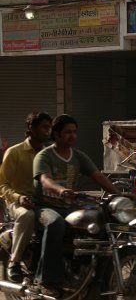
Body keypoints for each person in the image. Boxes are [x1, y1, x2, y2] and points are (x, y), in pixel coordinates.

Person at [32, 114, 121, 297]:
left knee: (101, 219)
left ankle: (98, 277)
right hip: (45, 207)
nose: (72, 136)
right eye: (67, 132)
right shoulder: (44, 156)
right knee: (55, 223)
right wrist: (61, 190)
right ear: (56, 134)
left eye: (74, 132)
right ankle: (47, 280)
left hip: (71, 206)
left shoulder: (79, 156)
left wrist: (119, 194)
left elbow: (98, 176)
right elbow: (45, 180)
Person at [0, 112, 52, 283]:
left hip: (44, 201)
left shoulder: (49, 154)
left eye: (50, 127)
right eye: (44, 127)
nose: (48, 131)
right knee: (27, 215)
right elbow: (2, 185)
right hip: (17, 202)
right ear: (31, 127)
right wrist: (19, 197)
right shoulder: (14, 152)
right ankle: (14, 263)